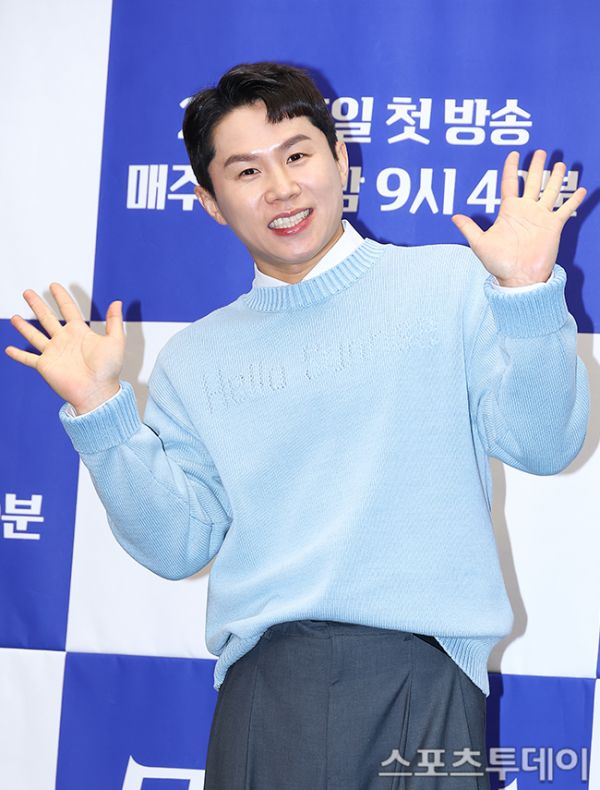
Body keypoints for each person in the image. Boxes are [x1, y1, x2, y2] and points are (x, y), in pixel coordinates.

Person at [5, 61, 589, 788]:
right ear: (210, 201)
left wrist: (527, 293)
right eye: (247, 171)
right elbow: (178, 545)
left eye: (298, 155)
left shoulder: (451, 284)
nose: (281, 188)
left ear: (340, 159)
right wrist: (101, 410)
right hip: (267, 691)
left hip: (428, 679)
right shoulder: (196, 357)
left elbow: (545, 444)